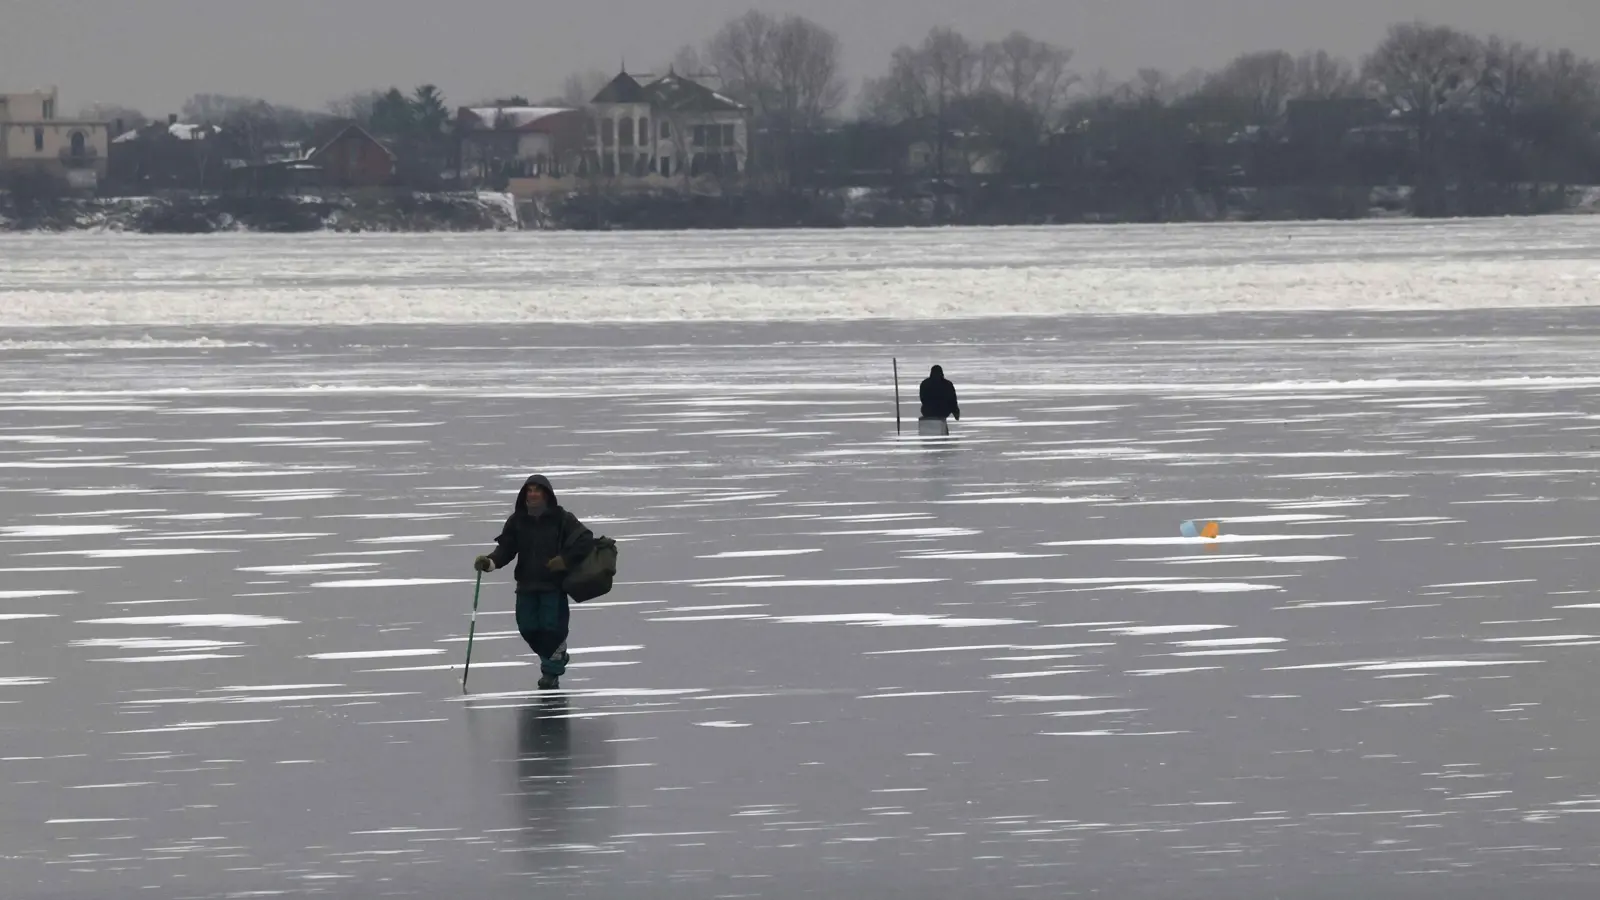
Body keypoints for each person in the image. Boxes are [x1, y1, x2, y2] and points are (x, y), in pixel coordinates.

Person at [474, 474, 595, 690]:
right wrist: (490, 562)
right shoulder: (517, 520)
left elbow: (585, 539)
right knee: (527, 627)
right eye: (529, 490)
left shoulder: (562, 518)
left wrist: (565, 561)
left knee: (551, 628)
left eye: (537, 490)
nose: (533, 494)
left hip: (554, 586)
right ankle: (557, 655)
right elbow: (506, 549)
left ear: (547, 494)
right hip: (526, 585)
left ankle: (551, 672)